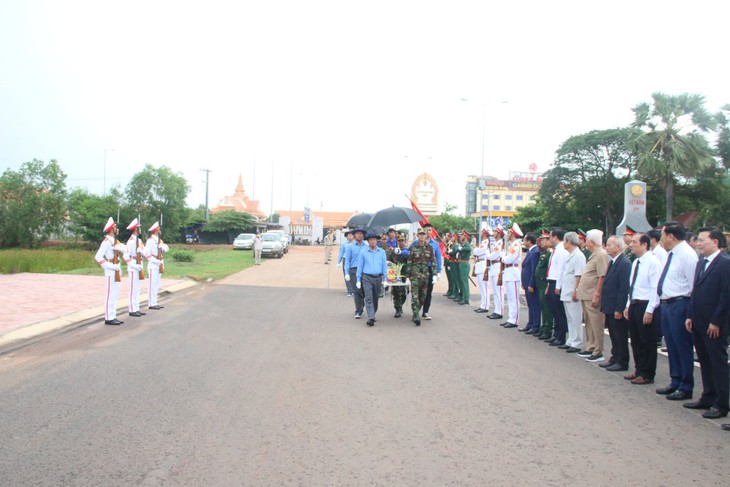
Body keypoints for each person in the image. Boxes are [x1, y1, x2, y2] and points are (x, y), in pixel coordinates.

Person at [684, 227, 730, 423]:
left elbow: (725, 296)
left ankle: (721, 403)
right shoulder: (701, 262)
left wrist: (716, 321)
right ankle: (707, 396)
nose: (698, 243)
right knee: (704, 361)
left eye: (702, 240)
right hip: (699, 320)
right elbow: (695, 291)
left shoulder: (724, 264)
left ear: (716, 242)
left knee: (718, 363)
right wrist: (690, 315)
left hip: (714, 324)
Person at [654, 222, 698, 400]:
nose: (661, 238)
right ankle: (676, 380)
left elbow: (694, 285)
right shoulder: (671, 254)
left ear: (671, 236)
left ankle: (686, 386)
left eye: (663, 234)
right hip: (667, 304)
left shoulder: (687, 255)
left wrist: (690, 313)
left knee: (682, 346)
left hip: (680, 304)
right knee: (672, 345)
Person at [623, 233, 661, 385]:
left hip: (646, 304)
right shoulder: (636, 262)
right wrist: (628, 305)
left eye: (634, 242)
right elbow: (632, 286)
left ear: (645, 245)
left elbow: (655, 288)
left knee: (647, 341)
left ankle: (647, 373)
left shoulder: (653, 262)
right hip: (634, 303)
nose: (631, 245)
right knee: (636, 339)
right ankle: (639, 369)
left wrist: (650, 310)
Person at [599, 236, 632, 372]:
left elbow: (623, 288)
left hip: (616, 306)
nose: (607, 247)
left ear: (618, 247)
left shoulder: (624, 263)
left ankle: (622, 361)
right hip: (609, 304)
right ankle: (614, 357)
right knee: (613, 334)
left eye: (610, 245)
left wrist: (619, 308)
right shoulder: (613, 262)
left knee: (620, 335)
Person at [576, 229, 609, 362]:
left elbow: (602, 275)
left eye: (587, 240)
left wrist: (597, 294)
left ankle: (598, 350)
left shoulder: (601, 254)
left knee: (596, 323)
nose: (586, 243)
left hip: (592, 294)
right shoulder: (594, 254)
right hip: (586, 294)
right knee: (588, 322)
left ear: (592, 241)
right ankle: (591, 346)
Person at [95, 217, 130, 325]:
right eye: (116, 228)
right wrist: (109, 266)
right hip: (111, 270)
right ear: (111, 229)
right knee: (110, 294)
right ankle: (108, 317)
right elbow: (98, 257)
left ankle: (113, 315)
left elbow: (126, 250)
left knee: (115, 295)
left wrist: (121, 248)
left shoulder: (116, 241)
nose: (117, 230)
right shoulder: (106, 242)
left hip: (117, 268)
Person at [559, 232, 586, 353]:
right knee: (569, 317)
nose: (564, 244)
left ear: (569, 241)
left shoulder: (578, 256)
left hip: (572, 291)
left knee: (575, 318)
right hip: (567, 290)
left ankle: (576, 342)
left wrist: (576, 291)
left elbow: (579, 275)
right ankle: (571, 340)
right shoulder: (571, 255)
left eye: (564, 241)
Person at [356, 233, 388, 327]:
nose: (373, 241)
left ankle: (373, 313)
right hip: (367, 277)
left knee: (375, 298)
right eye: (370, 240)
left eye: (374, 239)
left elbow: (384, 266)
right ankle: (371, 317)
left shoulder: (381, 252)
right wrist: (358, 279)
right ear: (368, 241)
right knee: (368, 298)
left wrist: (385, 279)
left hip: (378, 278)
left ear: (376, 241)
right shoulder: (363, 252)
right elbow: (360, 266)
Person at [407, 228, 436, 326]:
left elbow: (433, 261)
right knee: (415, 297)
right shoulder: (413, 248)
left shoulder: (430, 248)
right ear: (418, 236)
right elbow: (409, 262)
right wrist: (407, 276)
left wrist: (435, 274)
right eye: (420, 234)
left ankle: (416, 312)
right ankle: (416, 315)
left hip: (425, 276)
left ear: (425, 235)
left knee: (422, 297)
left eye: (423, 234)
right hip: (415, 276)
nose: (422, 236)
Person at [546, 228, 569, 347]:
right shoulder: (556, 250)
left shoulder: (562, 250)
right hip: (552, 282)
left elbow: (561, 270)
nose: (549, 238)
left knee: (559, 312)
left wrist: (558, 286)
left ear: (555, 237)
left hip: (557, 283)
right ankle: (556, 334)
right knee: (554, 310)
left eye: (550, 236)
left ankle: (561, 336)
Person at [501, 223, 523, 328]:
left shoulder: (516, 246)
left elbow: (507, 259)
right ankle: (511, 318)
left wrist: (503, 256)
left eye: (509, 232)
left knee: (514, 298)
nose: (508, 235)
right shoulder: (512, 245)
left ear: (513, 234)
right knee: (510, 298)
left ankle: (514, 320)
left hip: (513, 271)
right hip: (509, 272)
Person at [534, 231, 555, 340]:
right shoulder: (544, 252)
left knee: (547, 307)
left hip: (545, 283)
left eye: (543, 240)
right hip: (540, 283)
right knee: (543, 306)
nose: (541, 242)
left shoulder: (550, 253)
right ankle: (544, 327)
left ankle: (547, 329)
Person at [420, 223, 442, 319]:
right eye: (426, 230)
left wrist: (438, 271)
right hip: (419, 269)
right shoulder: (417, 242)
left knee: (428, 291)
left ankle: (425, 311)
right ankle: (416, 310)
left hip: (430, 269)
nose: (428, 232)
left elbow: (438, 258)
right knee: (419, 291)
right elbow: (409, 251)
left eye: (430, 230)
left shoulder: (435, 244)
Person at [125, 218, 147, 318]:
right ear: (136, 229)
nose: (140, 229)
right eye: (139, 228)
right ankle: (132, 309)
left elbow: (145, 251)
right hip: (134, 265)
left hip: (139, 264)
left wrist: (142, 251)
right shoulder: (131, 241)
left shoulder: (139, 240)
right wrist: (133, 265)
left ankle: (136, 308)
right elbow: (126, 256)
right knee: (133, 289)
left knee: (137, 289)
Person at [519, 232, 540, 334]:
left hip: (531, 284)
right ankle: (530, 323)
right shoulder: (530, 251)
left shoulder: (535, 252)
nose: (523, 242)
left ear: (529, 241)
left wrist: (531, 284)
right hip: (527, 283)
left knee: (534, 305)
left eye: (524, 240)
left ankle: (535, 325)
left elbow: (533, 270)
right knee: (530, 305)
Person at [145, 221, 169, 310]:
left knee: (156, 284)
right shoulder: (150, 241)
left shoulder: (159, 240)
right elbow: (147, 253)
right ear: (156, 230)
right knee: (152, 284)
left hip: (159, 263)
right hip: (153, 264)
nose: (160, 231)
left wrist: (162, 247)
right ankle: (151, 303)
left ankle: (155, 302)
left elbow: (167, 249)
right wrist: (155, 261)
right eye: (159, 229)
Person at [344, 228, 367, 318]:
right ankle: (358, 311)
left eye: (361, 233)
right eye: (357, 233)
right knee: (357, 291)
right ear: (354, 235)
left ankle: (362, 305)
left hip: (365, 270)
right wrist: (346, 272)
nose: (359, 235)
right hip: (354, 270)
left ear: (363, 235)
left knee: (365, 290)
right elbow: (347, 261)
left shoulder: (366, 246)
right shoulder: (349, 247)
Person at [388, 235, 410, 318]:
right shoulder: (394, 251)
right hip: (395, 276)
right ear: (397, 242)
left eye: (402, 241)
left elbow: (410, 263)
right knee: (396, 293)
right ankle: (398, 309)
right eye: (399, 241)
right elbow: (389, 262)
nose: (401, 242)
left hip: (405, 275)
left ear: (404, 242)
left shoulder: (407, 252)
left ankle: (400, 305)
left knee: (405, 292)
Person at [486, 225, 505, 320]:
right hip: (494, 266)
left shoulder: (499, 243)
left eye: (495, 232)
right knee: (495, 291)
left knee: (499, 291)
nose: (493, 233)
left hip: (497, 266)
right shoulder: (496, 243)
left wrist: (488, 255)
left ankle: (500, 311)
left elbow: (493, 256)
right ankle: (497, 310)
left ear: (499, 234)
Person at [472, 228, 491, 314]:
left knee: (485, 287)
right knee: (481, 287)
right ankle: (483, 305)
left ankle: (485, 306)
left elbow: (477, 251)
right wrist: (476, 251)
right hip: (480, 265)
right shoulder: (482, 243)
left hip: (483, 265)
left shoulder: (485, 242)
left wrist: (476, 250)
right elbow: (475, 252)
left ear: (484, 234)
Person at [454, 231, 472, 306]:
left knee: (464, 282)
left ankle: (466, 298)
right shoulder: (462, 245)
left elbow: (469, 249)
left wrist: (461, 249)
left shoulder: (467, 245)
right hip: (460, 263)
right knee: (461, 281)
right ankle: (462, 296)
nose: (460, 237)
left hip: (464, 264)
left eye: (462, 235)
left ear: (465, 237)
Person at [337, 230, 355, 296]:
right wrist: (339, 262)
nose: (350, 236)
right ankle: (350, 290)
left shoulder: (356, 243)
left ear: (354, 236)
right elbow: (341, 253)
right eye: (348, 235)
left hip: (354, 260)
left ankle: (353, 288)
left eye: (351, 235)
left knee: (353, 274)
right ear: (346, 237)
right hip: (346, 259)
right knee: (346, 274)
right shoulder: (344, 244)